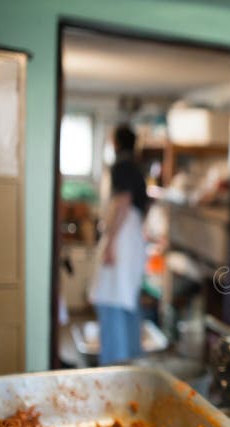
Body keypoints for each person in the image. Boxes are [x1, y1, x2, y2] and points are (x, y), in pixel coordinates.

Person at [89, 124, 149, 365]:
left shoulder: (121, 166)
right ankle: (132, 364)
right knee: (126, 302)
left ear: (115, 142)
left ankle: (115, 368)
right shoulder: (137, 167)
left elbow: (122, 202)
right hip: (133, 238)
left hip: (123, 238)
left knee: (111, 300)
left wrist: (110, 242)